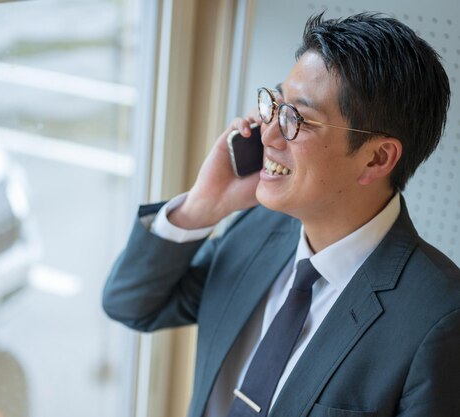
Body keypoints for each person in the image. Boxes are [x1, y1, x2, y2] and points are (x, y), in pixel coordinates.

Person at [103, 12, 460, 417]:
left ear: (377, 158)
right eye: (276, 104)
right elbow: (131, 304)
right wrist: (204, 205)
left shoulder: (440, 317)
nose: (269, 134)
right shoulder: (259, 230)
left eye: (299, 119)